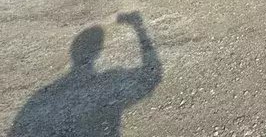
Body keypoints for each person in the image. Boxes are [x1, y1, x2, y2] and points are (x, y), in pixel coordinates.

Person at [10, 12, 161, 137]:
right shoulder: (107, 84)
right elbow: (152, 75)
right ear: (99, 52)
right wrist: (138, 26)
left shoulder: (41, 98)